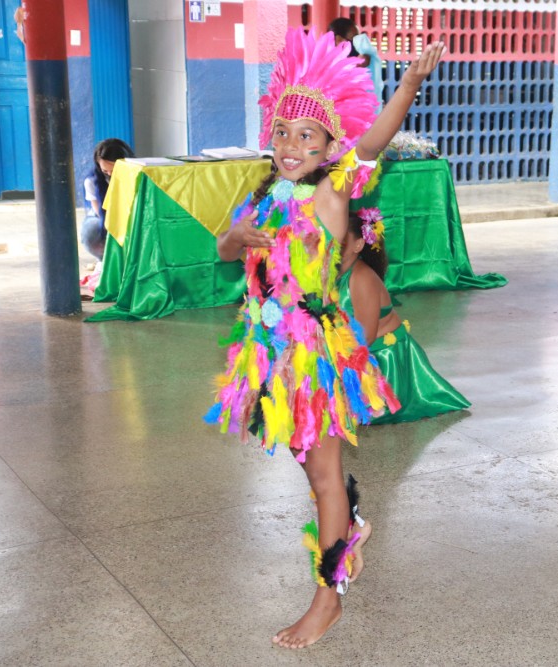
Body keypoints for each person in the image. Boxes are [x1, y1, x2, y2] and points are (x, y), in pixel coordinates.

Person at [204, 28, 443, 649]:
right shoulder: (265, 198)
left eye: (306, 135)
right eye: (282, 132)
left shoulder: (334, 193)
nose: (289, 145)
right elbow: (225, 248)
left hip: (313, 355)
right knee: (309, 468)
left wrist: (410, 84)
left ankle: (327, 598)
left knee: (324, 481)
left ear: (330, 145)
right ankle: (351, 524)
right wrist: (236, 241)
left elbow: (373, 141)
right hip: (267, 352)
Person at [338, 208, 470, 423]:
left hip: (383, 363)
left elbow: (365, 338)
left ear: (358, 245)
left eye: (340, 239)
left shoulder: (361, 278)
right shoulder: (333, 272)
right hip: (350, 351)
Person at [82, 138, 134, 261]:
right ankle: (105, 261)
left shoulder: (137, 174)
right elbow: (100, 212)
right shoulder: (92, 181)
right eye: (105, 171)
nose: (110, 174)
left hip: (131, 214)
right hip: (106, 216)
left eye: (114, 169)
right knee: (91, 232)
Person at [328, 17, 384, 108]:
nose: (357, 44)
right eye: (354, 39)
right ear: (338, 40)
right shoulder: (326, 64)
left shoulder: (364, 57)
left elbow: (363, 60)